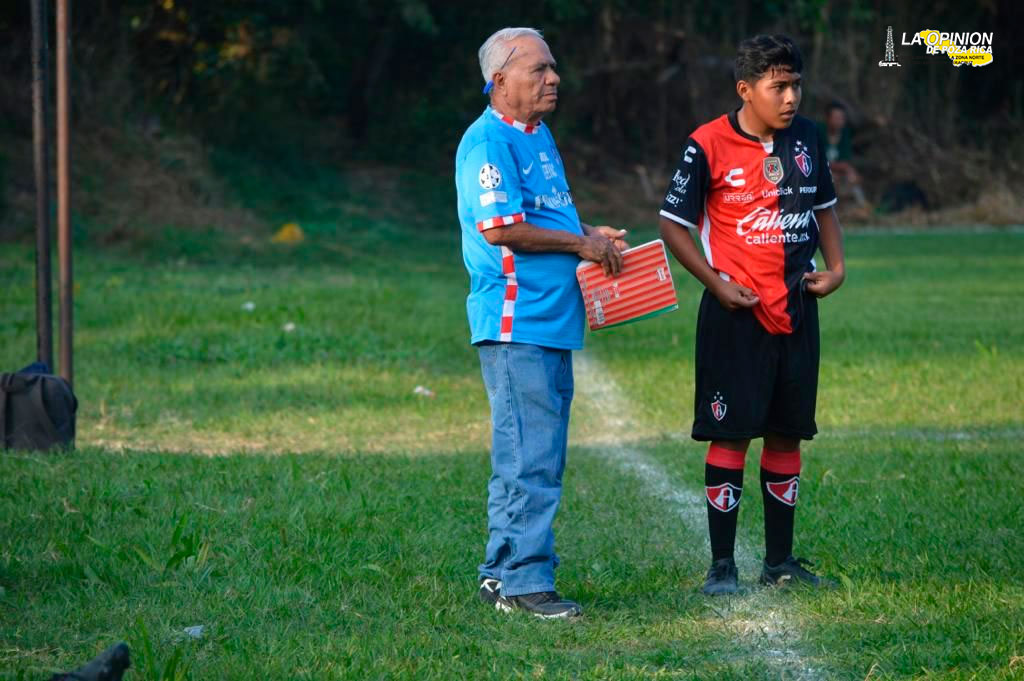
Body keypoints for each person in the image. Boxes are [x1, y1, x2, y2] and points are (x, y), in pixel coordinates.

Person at [658, 34, 845, 595]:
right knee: (732, 434)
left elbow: (825, 209)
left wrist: (836, 268)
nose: (790, 97)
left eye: (796, 85)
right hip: (734, 315)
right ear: (746, 89)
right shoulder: (707, 144)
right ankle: (721, 568)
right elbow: (673, 224)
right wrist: (716, 284)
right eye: (778, 86)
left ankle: (780, 563)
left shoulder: (808, 137)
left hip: (796, 307)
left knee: (787, 435)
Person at [454, 27, 628, 618]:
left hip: (551, 320)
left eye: (553, 68)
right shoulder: (487, 143)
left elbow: (551, 217)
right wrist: (579, 244)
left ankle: (501, 574)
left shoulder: (539, 135)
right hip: (516, 320)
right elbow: (501, 228)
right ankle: (527, 584)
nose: (553, 79)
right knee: (530, 456)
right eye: (538, 70)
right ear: (499, 80)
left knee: (530, 453)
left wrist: (591, 236)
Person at [817, 101, 869, 213]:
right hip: (820, 172)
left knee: (853, 178)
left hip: (838, 171)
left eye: (842, 118)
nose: (840, 121)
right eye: (836, 118)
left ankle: (863, 210)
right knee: (831, 179)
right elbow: (816, 160)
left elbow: (845, 160)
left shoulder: (845, 133)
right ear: (827, 118)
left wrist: (848, 171)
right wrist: (843, 168)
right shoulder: (817, 131)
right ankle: (829, 212)